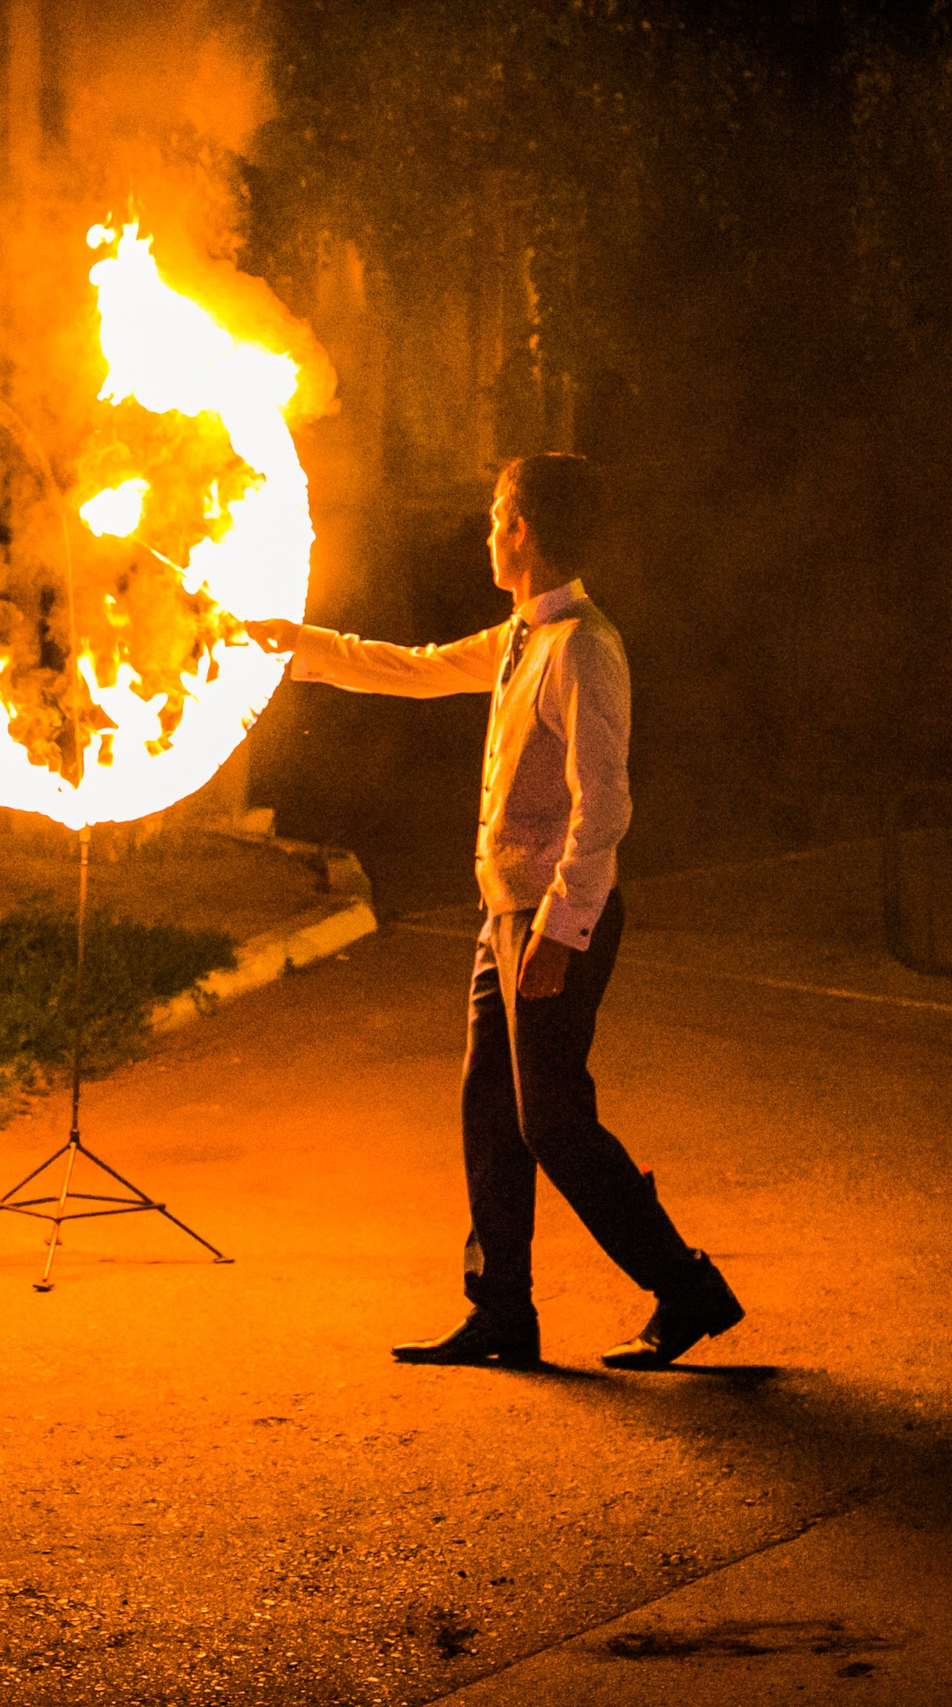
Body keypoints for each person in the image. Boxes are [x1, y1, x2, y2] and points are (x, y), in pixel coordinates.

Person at [247, 454, 742, 1370]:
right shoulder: (524, 636)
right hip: (504, 912)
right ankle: (502, 1310)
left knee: (551, 1119)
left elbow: (606, 806)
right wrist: (297, 643)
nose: (486, 531)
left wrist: (559, 929)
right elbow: (415, 669)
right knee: (490, 1108)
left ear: (524, 528)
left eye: (495, 515)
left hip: (552, 917)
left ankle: (686, 1286)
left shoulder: (584, 647)